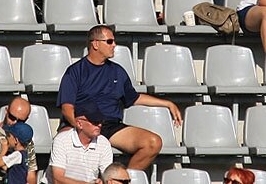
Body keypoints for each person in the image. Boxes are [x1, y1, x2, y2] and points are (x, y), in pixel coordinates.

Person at [57, 25, 182, 170]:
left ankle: (123, 179)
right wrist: (83, 129)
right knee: (64, 144)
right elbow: (67, 109)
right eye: (109, 41)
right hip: (83, 124)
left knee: (153, 142)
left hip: (110, 126)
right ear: (95, 44)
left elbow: (134, 98)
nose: (114, 45)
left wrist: (168, 104)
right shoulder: (75, 71)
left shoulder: (118, 71)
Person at [46, 101, 112, 184]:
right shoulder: (61, 140)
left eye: (101, 121)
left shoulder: (104, 143)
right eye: (94, 122)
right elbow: (58, 180)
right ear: (79, 124)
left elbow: (108, 177)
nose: (99, 125)